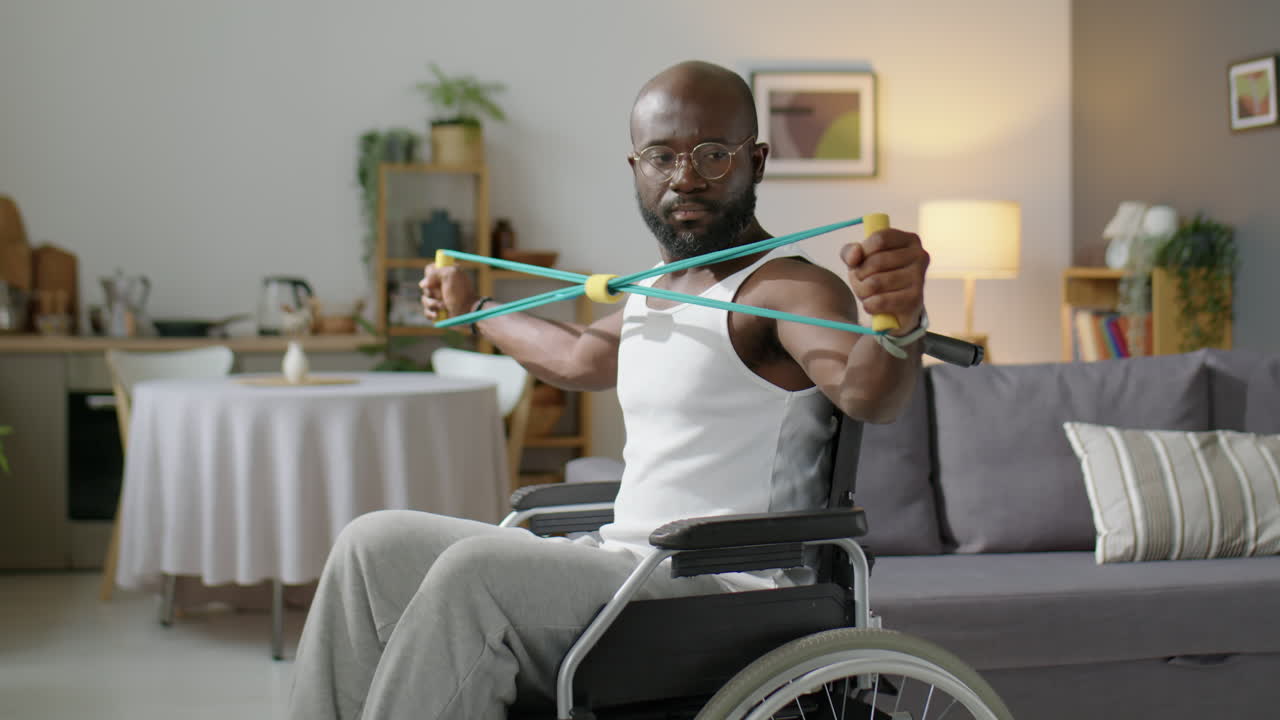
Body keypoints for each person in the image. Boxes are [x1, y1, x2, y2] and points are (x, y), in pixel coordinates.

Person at [288, 59, 928, 720]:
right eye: (662, 156)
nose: (685, 177)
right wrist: (472, 308)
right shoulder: (661, 288)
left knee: (472, 576)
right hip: (625, 568)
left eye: (712, 154)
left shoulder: (786, 288)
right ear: (636, 169)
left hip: (721, 589)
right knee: (370, 547)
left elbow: (868, 395)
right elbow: (576, 356)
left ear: (756, 161)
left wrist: (901, 322)